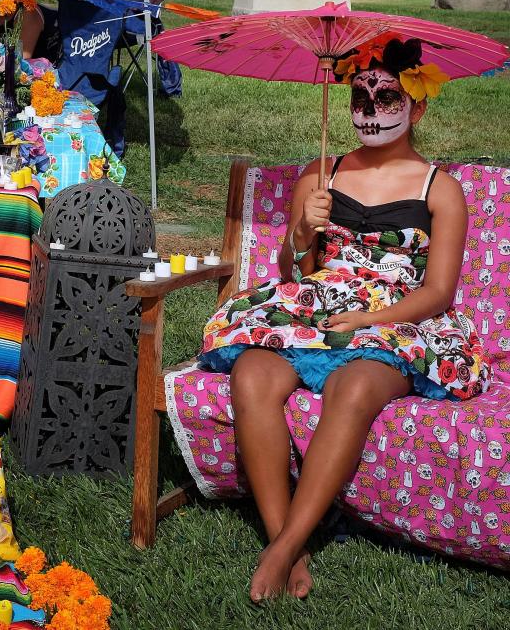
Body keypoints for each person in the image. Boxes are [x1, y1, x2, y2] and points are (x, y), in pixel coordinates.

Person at [196, 37, 489, 602]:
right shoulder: (321, 174)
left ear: (418, 107)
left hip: (397, 315)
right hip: (318, 303)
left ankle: (280, 548)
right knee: (252, 374)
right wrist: (303, 231)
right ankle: (292, 539)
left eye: (387, 99)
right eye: (361, 97)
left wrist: (368, 319)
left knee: (355, 385)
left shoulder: (440, 189)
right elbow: (295, 268)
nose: (371, 111)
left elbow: (438, 293)